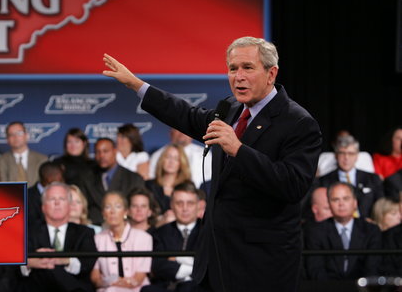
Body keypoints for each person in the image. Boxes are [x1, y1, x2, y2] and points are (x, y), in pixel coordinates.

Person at [102, 36, 322, 291]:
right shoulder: (230, 108)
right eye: (232, 68)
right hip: (215, 256)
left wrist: (238, 150)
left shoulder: (298, 122)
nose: (238, 76)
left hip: (260, 262)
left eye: (247, 68)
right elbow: (187, 115)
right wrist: (138, 86)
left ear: (271, 73)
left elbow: (293, 185)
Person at [13, 182, 97, 292]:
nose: (57, 203)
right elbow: (13, 268)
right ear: (43, 207)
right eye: (52, 199)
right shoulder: (28, 232)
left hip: (73, 286)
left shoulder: (84, 232)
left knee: (49, 269)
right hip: (37, 288)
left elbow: (86, 265)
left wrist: (63, 260)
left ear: (69, 205)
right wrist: (30, 262)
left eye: (61, 199)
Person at [304, 182, 382, 280]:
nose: (341, 204)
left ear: (355, 203)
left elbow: (372, 268)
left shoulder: (371, 230)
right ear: (329, 204)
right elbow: (315, 269)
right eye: (335, 199)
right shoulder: (316, 232)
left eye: (346, 198)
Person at [143, 182, 201, 292]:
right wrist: (193, 266)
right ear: (171, 205)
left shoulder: (208, 233)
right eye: (179, 203)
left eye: (190, 203)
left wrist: (176, 258)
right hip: (165, 286)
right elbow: (157, 265)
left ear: (198, 205)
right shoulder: (160, 233)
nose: (185, 208)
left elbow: (209, 265)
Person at [90, 191, 152, 292]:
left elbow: (139, 277)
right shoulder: (97, 239)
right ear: (103, 213)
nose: (112, 211)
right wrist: (109, 283)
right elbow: (95, 278)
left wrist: (121, 284)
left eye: (117, 206)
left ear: (125, 212)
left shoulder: (144, 238)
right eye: (108, 207)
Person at [79, 138, 144, 225]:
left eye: (105, 151)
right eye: (98, 152)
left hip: (125, 228)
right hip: (94, 227)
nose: (101, 155)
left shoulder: (134, 179)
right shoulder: (86, 178)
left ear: (115, 151)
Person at [317, 135, 384, 219]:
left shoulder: (373, 179)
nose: (346, 158)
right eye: (342, 153)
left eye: (351, 153)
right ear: (336, 156)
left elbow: (381, 206)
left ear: (357, 156)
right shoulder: (322, 181)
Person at [0, 121, 48, 186]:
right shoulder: (1, 160)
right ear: (7, 139)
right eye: (11, 134)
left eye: (19, 133)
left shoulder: (42, 159)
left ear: (27, 136)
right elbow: (3, 185)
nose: (16, 137)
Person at [145, 144, 191, 215]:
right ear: (162, 160)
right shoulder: (149, 185)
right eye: (168, 157)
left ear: (181, 163)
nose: (171, 162)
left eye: (176, 159)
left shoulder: (187, 187)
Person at [28, 161, 65, 227]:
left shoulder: (65, 193)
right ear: (49, 178)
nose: (63, 181)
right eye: (61, 177)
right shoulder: (26, 197)